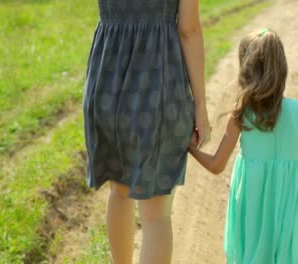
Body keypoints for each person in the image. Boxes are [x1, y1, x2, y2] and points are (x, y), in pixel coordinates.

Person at [82, 0, 211, 263]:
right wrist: (200, 105)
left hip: (106, 80)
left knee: (119, 192)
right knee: (156, 214)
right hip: (157, 82)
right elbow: (189, 30)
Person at [189, 28, 298, 263]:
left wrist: (190, 148)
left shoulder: (240, 115)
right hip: (290, 207)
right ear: (282, 69)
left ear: (246, 71)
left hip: (252, 210)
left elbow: (216, 165)